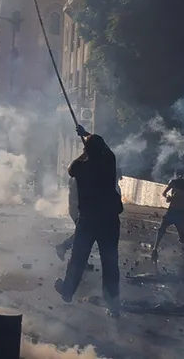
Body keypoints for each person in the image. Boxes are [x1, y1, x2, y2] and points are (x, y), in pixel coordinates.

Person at [55, 126, 123, 317]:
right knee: (110, 262)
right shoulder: (109, 161)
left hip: (89, 220)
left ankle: (67, 292)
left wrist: (84, 151)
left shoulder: (81, 167)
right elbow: (106, 148)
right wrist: (86, 135)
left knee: (78, 259)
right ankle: (113, 305)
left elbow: (70, 169)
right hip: (109, 219)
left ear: (86, 151)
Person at [152, 169, 184, 261]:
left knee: (182, 238)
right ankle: (154, 249)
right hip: (172, 211)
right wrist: (168, 197)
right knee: (161, 229)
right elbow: (164, 193)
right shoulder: (175, 183)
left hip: (181, 213)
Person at [54, 171, 79, 261]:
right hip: (79, 209)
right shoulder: (80, 179)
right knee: (83, 234)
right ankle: (64, 247)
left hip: (77, 208)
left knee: (83, 234)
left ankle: (80, 260)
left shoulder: (76, 177)